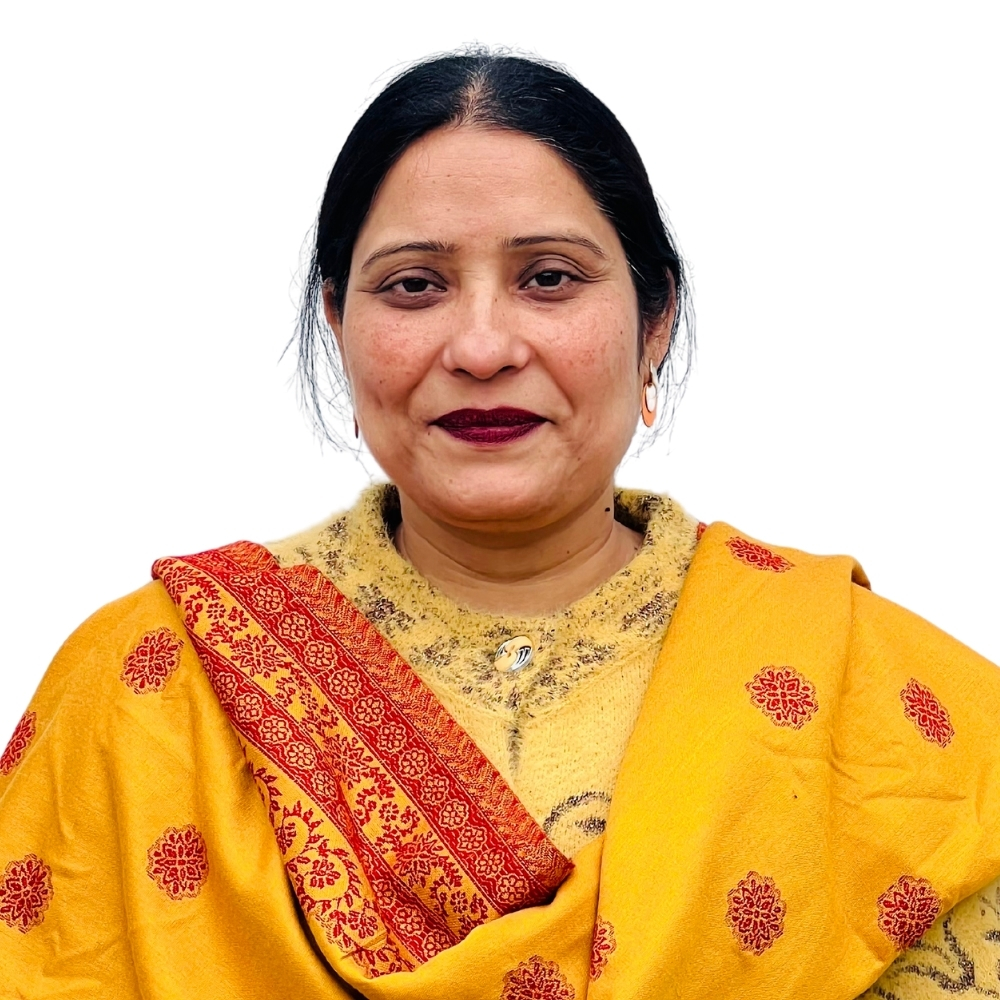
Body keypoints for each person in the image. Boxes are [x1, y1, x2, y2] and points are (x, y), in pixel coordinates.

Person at [1, 50, 998, 1000]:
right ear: (338, 322)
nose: (481, 347)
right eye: (414, 286)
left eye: (549, 278)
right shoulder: (145, 688)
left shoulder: (884, 705)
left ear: (654, 320)